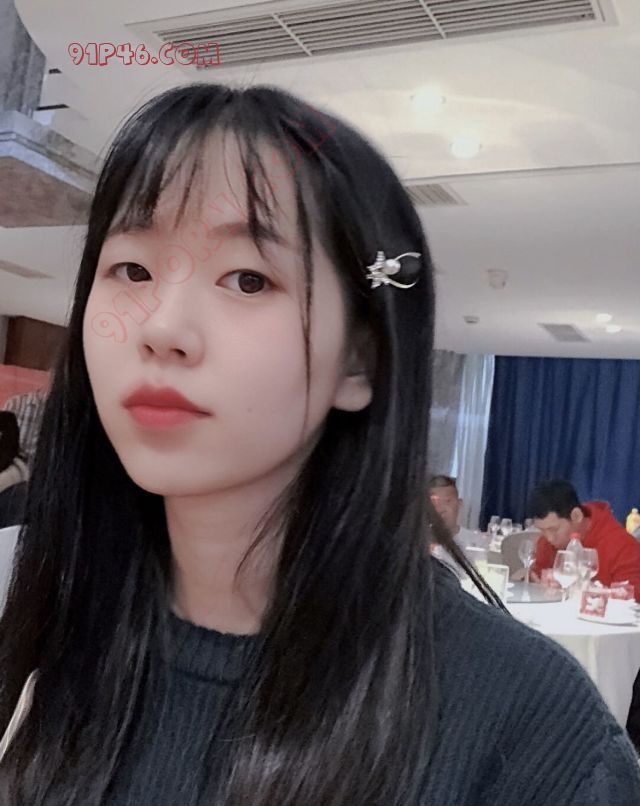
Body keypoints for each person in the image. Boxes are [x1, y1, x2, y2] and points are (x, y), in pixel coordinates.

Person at [0, 84, 638, 804]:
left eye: (247, 279)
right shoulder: (47, 633)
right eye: (132, 270)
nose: (161, 327)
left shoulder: (531, 733)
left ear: (359, 361)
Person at [528, 479, 640, 600]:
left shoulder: (622, 545)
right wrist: (538, 582)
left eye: (554, 530)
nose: (549, 538)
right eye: (542, 530)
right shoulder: (546, 542)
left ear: (576, 516)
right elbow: (534, 577)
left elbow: (634, 595)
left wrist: (592, 591)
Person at [428, 475, 482, 551]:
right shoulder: (416, 541)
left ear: (459, 503)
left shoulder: (477, 542)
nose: (440, 509)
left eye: (447, 501)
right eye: (434, 503)